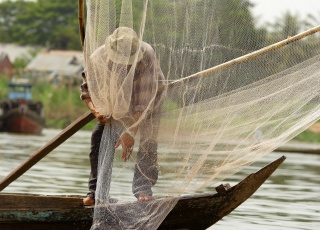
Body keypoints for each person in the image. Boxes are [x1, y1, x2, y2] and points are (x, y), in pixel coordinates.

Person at [80, 27, 165, 205]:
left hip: (148, 102)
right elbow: (87, 92)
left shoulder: (146, 55)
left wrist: (130, 132)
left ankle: (143, 189)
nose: (124, 63)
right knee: (99, 138)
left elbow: (144, 103)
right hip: (114, 104)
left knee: (148, 138)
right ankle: (96, 192)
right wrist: (97, 112)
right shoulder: (98, 58)